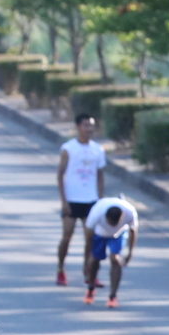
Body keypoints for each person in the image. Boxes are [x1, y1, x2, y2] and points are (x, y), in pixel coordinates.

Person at [55, 112, 110, 287]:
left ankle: (88, 271)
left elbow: (100, 175)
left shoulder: (98, 149)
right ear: (78, 127)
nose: (89, 129)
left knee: (91, 238)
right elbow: (60, 174)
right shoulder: (68, 148)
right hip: (72, 199)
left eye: (91, 125)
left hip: (91, 200)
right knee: (67, 236)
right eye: (86, 125)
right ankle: (60, 269)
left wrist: (100, 199)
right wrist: (64, 201)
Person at [83, 194, 141, 307]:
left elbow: (133, 231)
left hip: (119, 235)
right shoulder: (97, 212)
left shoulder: (130, 212)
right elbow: (88, 236)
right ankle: (90, 287)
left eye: (115, 223)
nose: (112, 226)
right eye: (110, 223)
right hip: (100, 233)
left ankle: (113, 295)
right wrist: (87, 258)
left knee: (115, 259)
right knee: (95, 260)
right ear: (106, 217)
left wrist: (130, 253)